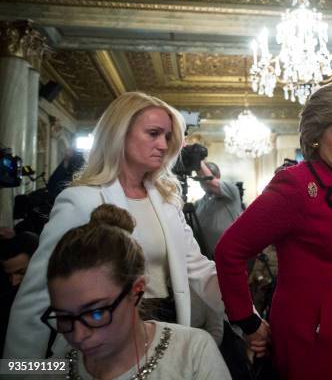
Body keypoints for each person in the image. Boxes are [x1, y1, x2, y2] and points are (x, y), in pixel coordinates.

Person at [4, 91, 225, 359]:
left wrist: (248, 319)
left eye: (167, 137)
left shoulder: (167, 201)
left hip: (170, 329)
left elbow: (200, 271)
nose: (164, 145)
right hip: (100, 338)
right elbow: (37, 296)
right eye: (153, 133)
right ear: (120, 134)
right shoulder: (81, 200)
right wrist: (22, 371)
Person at [215, 83, 332, 379]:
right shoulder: (295, 185)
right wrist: (248, 322)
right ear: (316, 137)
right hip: (312, 340)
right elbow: (229, 252)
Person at [42, 204, 231, 379]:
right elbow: (15, 368)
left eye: (96, 313)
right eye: (64, 318)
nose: (78, 336)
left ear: (136, 290)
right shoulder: (56, 366)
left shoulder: (192, 353)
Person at [195, 161, 242, 258]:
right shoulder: (201, 201)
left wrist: (197, 161)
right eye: (200, 179)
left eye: (203, 178)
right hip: (208, 257)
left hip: (231, 255)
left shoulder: (231, 190)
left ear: (218, 176)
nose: (203, 182)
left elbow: (211, 182)